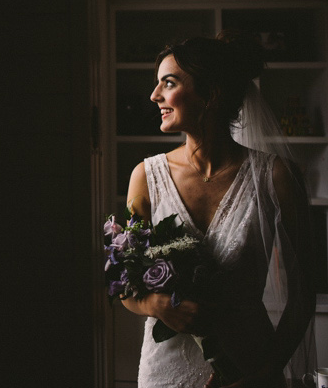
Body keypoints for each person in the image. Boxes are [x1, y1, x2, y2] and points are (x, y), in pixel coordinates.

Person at [122, 33, 316, 388]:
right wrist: (156, 306)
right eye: (157, 84)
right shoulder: (145, 177)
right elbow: (124, 285)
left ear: (211, 93)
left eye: (169, 83)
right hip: (166, 372)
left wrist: (266, 371)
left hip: (248, 369)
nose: (154, 96)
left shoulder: (278, 178)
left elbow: (303, 293)